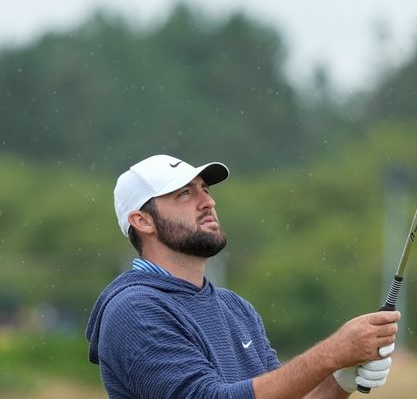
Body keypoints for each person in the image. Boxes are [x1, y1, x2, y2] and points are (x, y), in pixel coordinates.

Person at [86, 154, 400, 399]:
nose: (208, 201)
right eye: (184, 193)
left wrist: (338, 380)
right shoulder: (134, 310)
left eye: (204, 190)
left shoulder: (234, 307)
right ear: (142, 221)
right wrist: (330, 354)